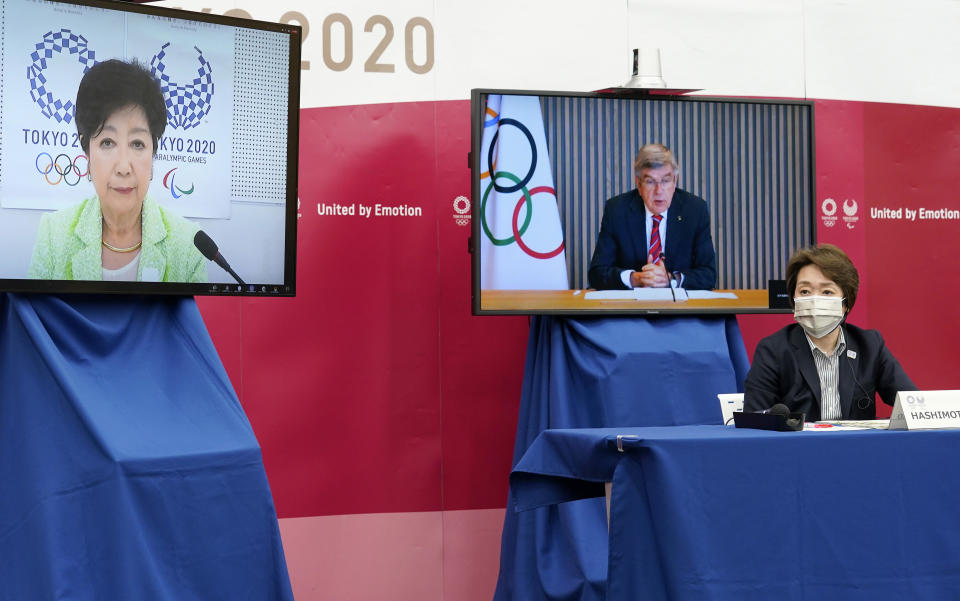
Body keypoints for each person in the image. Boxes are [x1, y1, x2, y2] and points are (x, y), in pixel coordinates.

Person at [29, 59, 206, 283]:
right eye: (107, 143)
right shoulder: (54, 235)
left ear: (153, 153)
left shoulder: (189, 244)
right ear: (87, 151)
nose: (124, 167)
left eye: (137, 144)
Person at [744, 244, 916, 421]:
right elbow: (754, 420)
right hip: (798, 448)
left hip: (856, 447)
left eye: (827, 291)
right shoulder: (773, 350)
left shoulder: (870, 345)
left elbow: (915, 406)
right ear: (794, 300)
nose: (815, 299)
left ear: (845, 304)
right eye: (805, 291)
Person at [587, 143, 716, 290]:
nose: (659, 191)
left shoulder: (694, 210)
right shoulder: (617, 210)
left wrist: (671, 279)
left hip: (679, 307)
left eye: (665, 181)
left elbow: (708, 274)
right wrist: (634, 278)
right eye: (650, 182)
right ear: (639, 184)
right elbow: (597, 274)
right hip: (631, 308)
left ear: (675, 181)